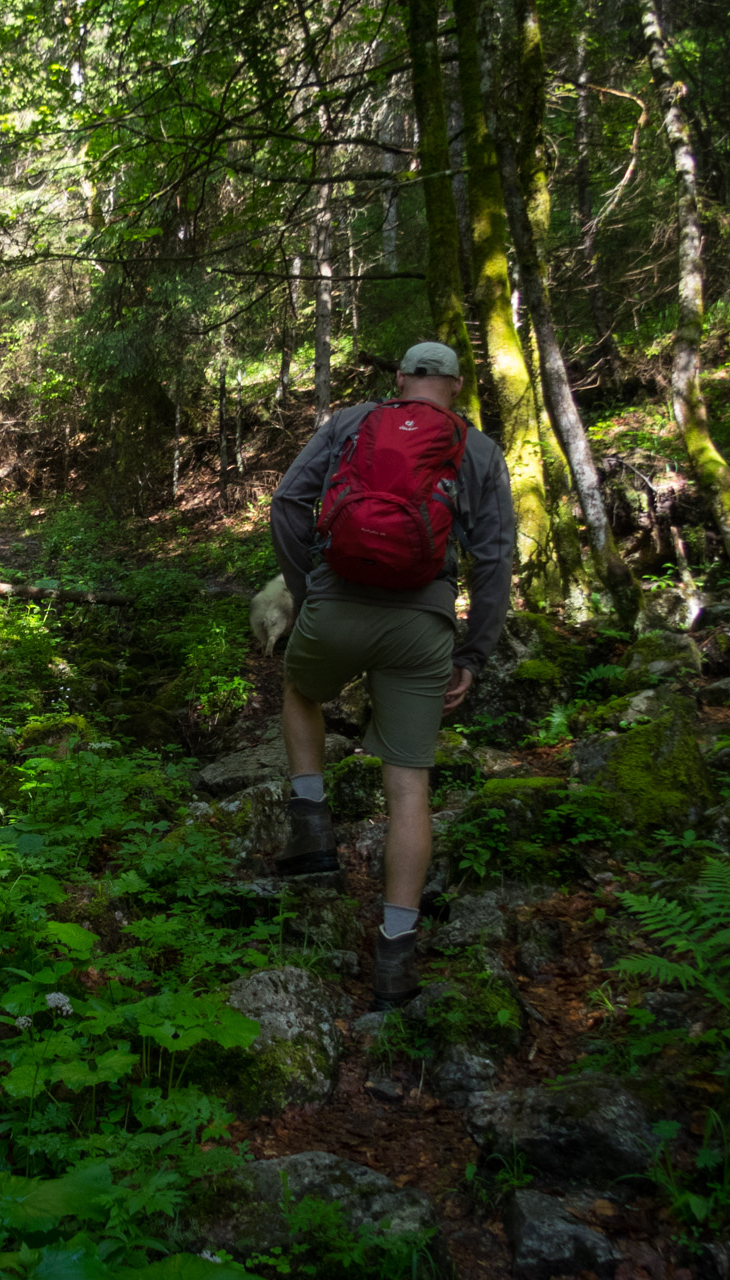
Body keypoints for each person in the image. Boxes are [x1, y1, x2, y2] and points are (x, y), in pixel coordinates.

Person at [267, 341, 515, 1010]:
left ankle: (312, 824)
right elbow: (494, 562)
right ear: (457, 387)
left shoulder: (351, 424)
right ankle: (395, 962)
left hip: (335, 605)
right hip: (422, 623)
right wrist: (475, 654)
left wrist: (307, 591)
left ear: (402, 378)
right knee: (408, 785)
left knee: (300, 687)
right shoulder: (479, 451)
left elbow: (289, 504)